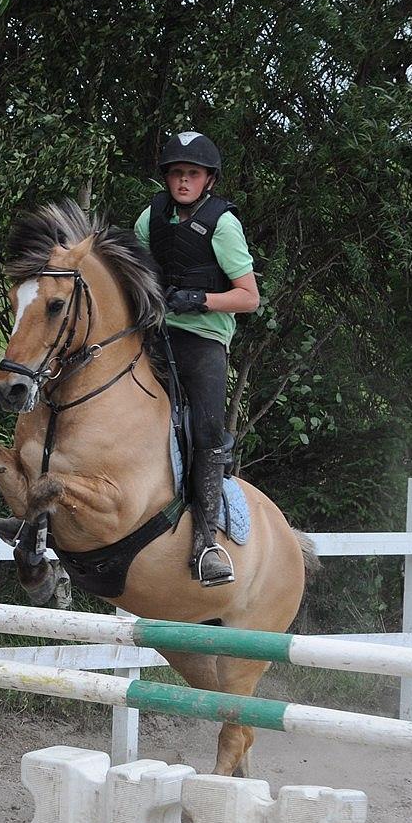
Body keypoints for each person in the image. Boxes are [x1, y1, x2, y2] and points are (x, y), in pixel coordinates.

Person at [134, 131, 259, 585]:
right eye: (176, 173)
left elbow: (249, 298)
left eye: (192, 174)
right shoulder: (150, 217)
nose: (183, 180)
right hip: (154, 335)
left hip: (203, 340)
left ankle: (206, 540)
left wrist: (201, 299)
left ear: (207, 179)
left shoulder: (223, 224)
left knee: (207, 431)